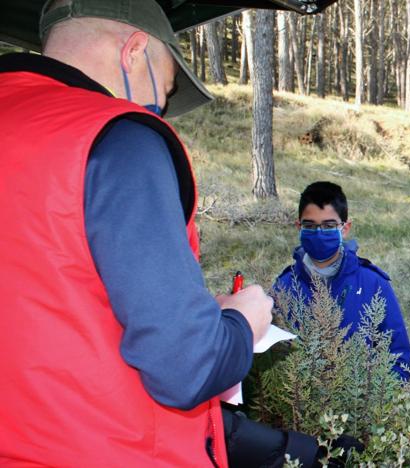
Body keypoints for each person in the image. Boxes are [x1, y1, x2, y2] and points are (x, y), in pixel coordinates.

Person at [0, 1, 325, 465]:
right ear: (134, 51)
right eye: (164, 92)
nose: (160, 110)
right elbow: (188, 367)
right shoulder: (116, 137)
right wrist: (240, 322)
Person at [273, 181, 410, 380]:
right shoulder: (284, 286)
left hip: (361, 405)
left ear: (345, 228)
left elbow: (399, 357)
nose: (319, 233)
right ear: (299, 226)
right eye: (310, 225)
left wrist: (373, 401)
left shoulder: (373, 284)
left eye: (329, 226)